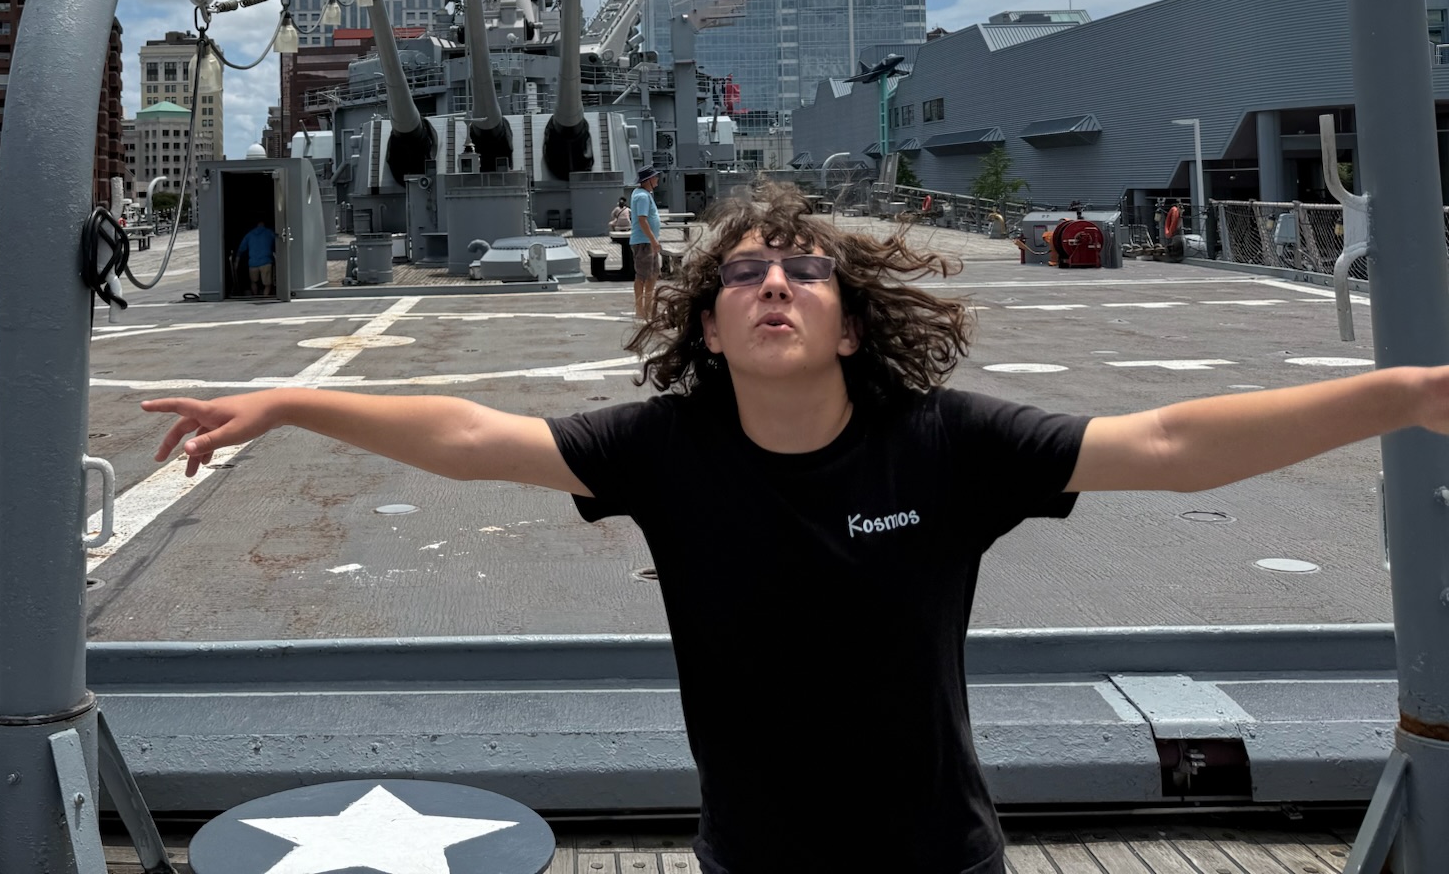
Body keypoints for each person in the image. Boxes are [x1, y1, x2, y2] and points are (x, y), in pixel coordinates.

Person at [142, 182, 1449, 874]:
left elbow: (1165, 448)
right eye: (743, 275)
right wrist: (293, 402)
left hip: (939, 859)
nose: (774, 283)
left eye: (804, 270)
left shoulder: (947, 443)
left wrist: (1401, 394)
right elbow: (474, 438)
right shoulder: (661, 450)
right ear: (707, 327)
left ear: (850, 322)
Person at [629, 164, 662, 322]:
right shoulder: (642, 196)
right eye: (655, 177)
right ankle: (640, 309)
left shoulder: (644, 194)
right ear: (648, 180)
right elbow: (642, 220)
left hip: (647, 241)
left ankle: (648, 308)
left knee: (652, 275)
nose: (657, 179)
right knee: (643, 276)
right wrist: (653, 240)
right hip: (644, 242)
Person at [236, 216, 277, 298]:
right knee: (267, 284)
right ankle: (265, 298)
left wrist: (236, 261)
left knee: (253, 282)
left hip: (253, 263)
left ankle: (255, 296)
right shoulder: (269, 232)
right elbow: (279, 241)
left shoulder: (249, 234)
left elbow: (241, 248)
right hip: (266, 261)